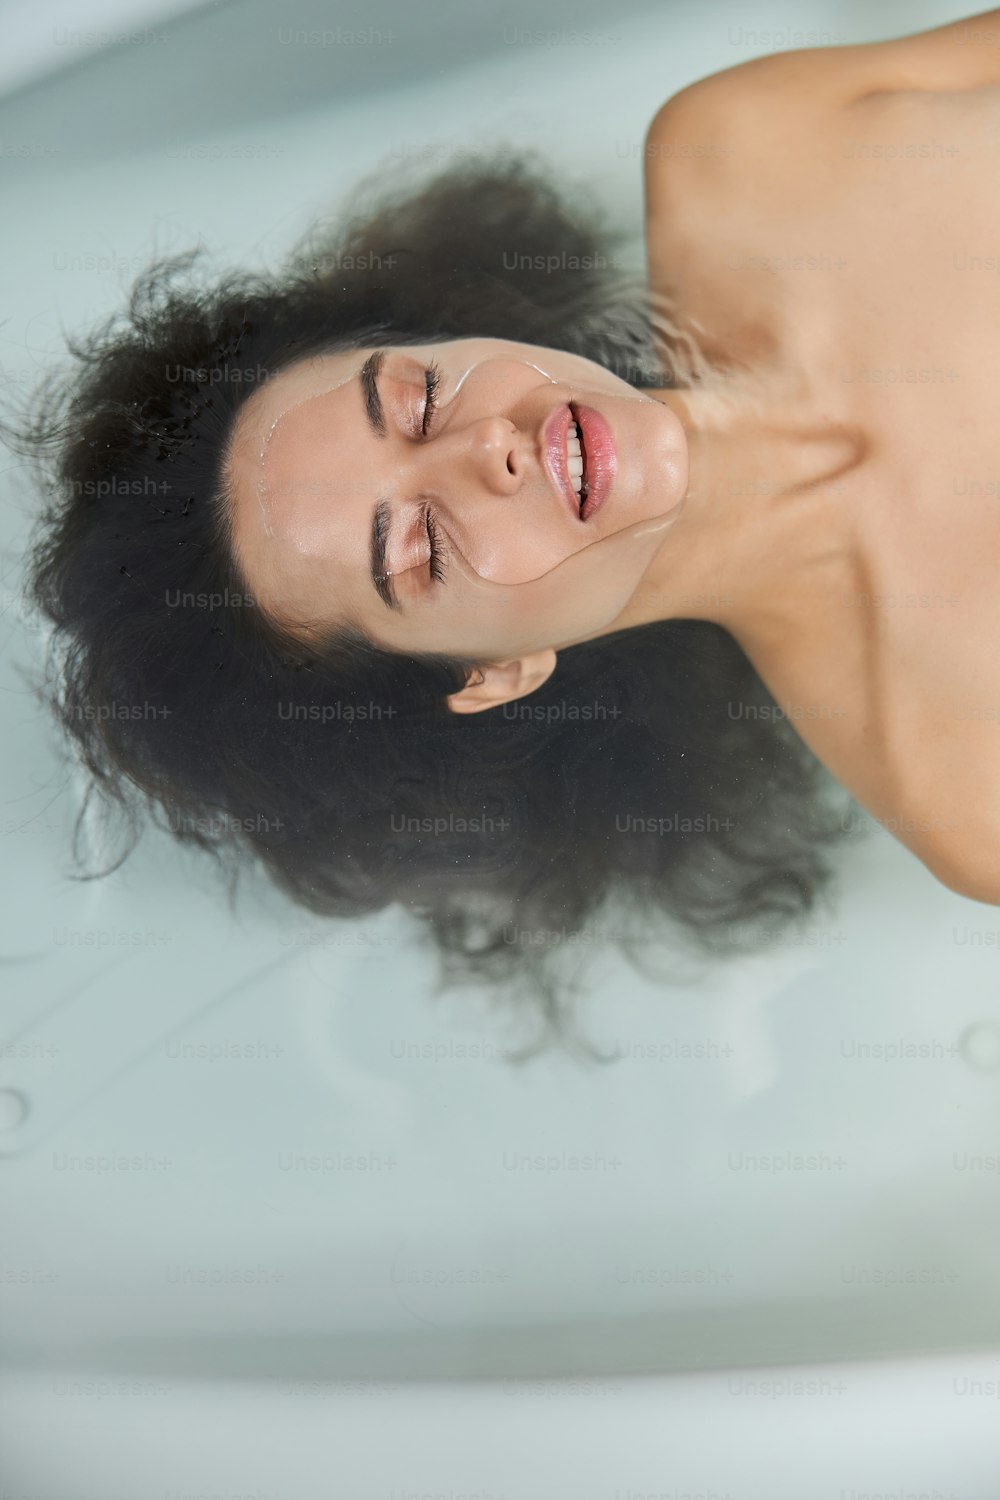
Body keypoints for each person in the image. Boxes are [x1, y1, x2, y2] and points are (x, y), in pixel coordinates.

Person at [14, 11, 998, 1047]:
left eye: (418, 401)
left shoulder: (752, 149)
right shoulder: (964, 778)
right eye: (423, 551)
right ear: (494, 670)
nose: (492, 454)